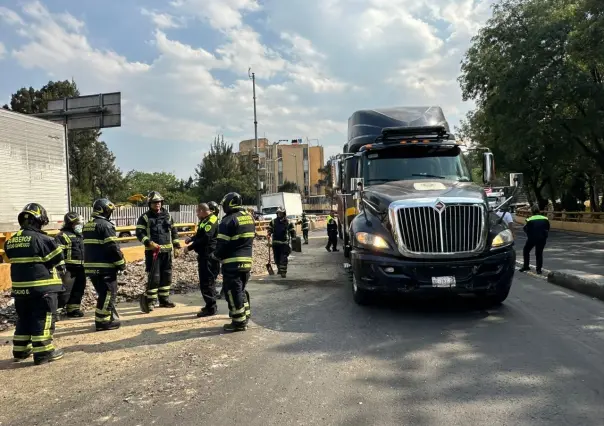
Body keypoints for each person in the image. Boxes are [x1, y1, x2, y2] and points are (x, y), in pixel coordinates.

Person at [4, 203, 65, 364]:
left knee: (24, 318)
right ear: (38, 220)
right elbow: (57, 258)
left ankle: (21, 349)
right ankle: (44, 352)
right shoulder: (43, 239)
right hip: (42, 289)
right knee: (42, 318)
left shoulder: (11, 241)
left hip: (20, 290)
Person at [214, 192, 254, 332]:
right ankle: (245, 316)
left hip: (232, 263)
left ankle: (238, 322)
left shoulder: (227, 221)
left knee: (232, 292)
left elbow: (222, 244)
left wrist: (215, 256)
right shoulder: (248, 218)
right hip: (247, 262)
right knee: (241, 290)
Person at [135, 191, 181, 312]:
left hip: (167, 252)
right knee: (154, 278)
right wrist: (149, 243)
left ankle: (164, 300)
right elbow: (139, 233)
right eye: (155, 203)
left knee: (166, 277)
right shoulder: (144, 217)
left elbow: (174, 231)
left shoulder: (168, 216)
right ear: (150, 204)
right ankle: (150, 302)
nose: (157, 205)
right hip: (153, 253)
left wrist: (176, 246)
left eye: (159, 202)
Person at [83, 198, 125, 331]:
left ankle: (104, 318)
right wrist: (121, 263)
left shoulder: (88, 225)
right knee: (108, 294)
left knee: (102, 294)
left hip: (91, 266)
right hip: (105, 267)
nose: (110, 213)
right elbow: (112, 247)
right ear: (104, 210)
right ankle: (103, 322)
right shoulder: (105, 225)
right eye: (109, 211)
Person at [184, 203, 219, 317]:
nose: (196, 214)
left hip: (208, 256)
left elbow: (206, 238)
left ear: (203, 211)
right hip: (205, 255)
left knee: (207, 282)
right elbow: (200, 234)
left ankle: (211, 308)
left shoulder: (211, 220)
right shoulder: (205, 220)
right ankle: (210, 305)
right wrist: (191, 238)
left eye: (197, 212)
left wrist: (189, 248)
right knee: (207, 282)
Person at [55, 212, 86, 319]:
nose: (79, 225)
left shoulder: (80, 235)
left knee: (79, 289)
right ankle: (56, 312)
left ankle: (73, 309)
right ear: (71, 223)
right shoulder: (62, 235)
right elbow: (58, 253)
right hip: (68, 269)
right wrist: (60, 266)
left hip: (81, 268)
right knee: (64, 291)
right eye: (77, 223)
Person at [519, 204, 550, 274]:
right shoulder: (545, 218)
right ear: (539, 211)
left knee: (526, 250)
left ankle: (526, 266)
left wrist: (529, 234)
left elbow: (525, 228)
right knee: (539, 253)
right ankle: (538, 270)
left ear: (532, 211)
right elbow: (547, 228)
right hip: (542, 239)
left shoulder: (529, 219)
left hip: (532, 238)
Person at [268, 207, 296, 278]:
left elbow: (292, 231)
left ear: (284, 214)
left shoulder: (288, 222)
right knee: (277, 258)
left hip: (284, 243)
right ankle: (279, 269)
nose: (279, 214)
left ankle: (283, 272)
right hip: (275, 243)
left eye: (281, 213)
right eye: (278, 213)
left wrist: (294, 238)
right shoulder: (273, 221)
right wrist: (269, 233)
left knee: (283, 258)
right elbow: (270, 228)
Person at [208, 201, 224, 299]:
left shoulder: (216, 221)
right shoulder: (213, 221)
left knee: (216, 272)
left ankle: (214, 292)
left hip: (217, 251)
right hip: (214, 251)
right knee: (214, 272)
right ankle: (213, 292)